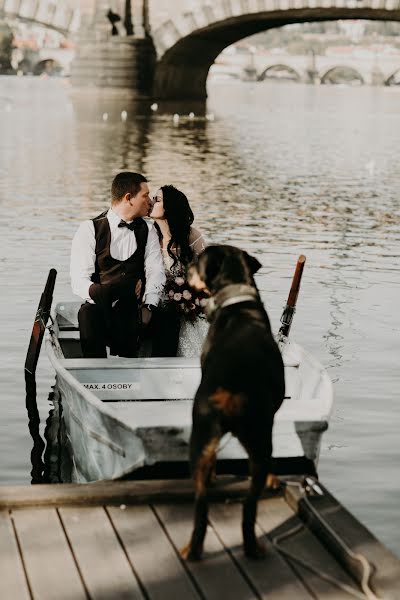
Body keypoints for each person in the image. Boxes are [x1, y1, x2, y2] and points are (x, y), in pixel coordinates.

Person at [70, 172, 165, 358]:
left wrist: (149, 306)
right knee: (88, 314)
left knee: (157, 318)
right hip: (98, 307)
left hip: (132, 309)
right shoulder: (90, 229)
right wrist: (107, 293)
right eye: (145, 196)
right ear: (128, 198)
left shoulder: (147, 229)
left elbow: (155, 270)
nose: (150, 202)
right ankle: (93, 377)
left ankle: (136, 373)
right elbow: (79, 280)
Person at [149, 185, 208, 357]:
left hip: (183, 309)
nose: (151, 202)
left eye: (157, 199)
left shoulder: (191, 236)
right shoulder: (148, 235)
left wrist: (191, 296)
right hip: (152, 306)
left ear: (170, 207)